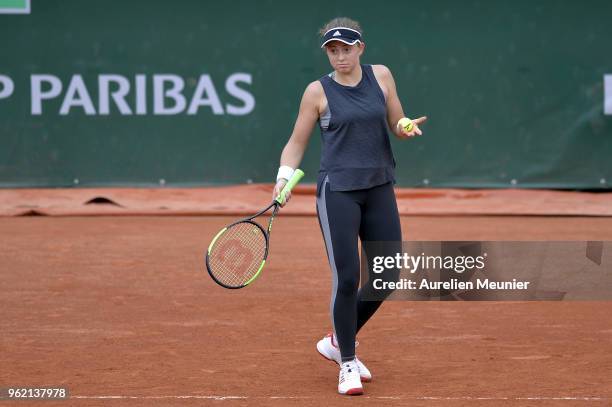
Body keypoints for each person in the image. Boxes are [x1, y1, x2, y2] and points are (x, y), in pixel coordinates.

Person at [272, 17, 427, 395]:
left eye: (346, 48)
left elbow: (396, 119)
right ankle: (348, 364)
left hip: (379, 187)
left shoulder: (382, 76)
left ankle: (338, 341)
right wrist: (282, 178)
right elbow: (296, 142)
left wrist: (405, 126)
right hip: (338, 192)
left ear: (361, 48)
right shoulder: (316, 92)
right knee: (346, 279)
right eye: (333, 50)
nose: (340, 56)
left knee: (388, 276)